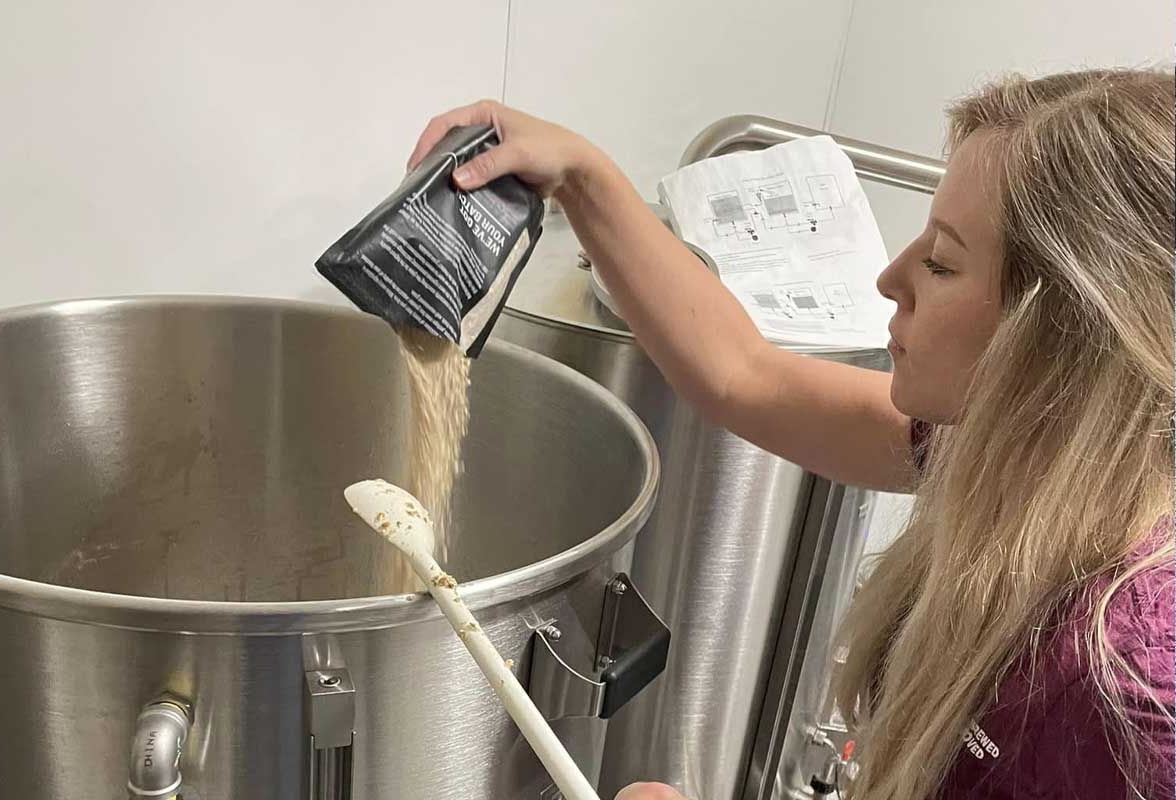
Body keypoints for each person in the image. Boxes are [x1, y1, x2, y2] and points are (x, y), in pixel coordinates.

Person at [409, 68, 1174, 800]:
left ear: (1061, 340)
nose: (891, 279)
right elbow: (746, 375)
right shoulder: (1022, 449)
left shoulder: (1134, 688)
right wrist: (580, 173)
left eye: (941, 263)